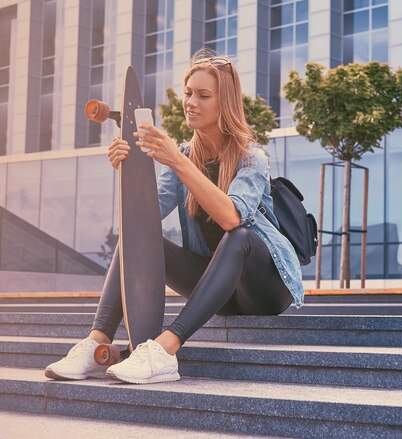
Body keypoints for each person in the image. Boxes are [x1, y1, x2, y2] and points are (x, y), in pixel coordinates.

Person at [44, 49, 304, 384]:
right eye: (188, 93)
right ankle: (97, 343)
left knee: (238, 237)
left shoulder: (251, 158)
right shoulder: (183, 154)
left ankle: (165, 350)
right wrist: (128, 170)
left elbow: (231, 218)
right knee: (136, 239)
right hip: (218, 293)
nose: (191, 102)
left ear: (224, 103)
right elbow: (142, 217)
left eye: (203, 95)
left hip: (265, 288)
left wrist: (177, 162)